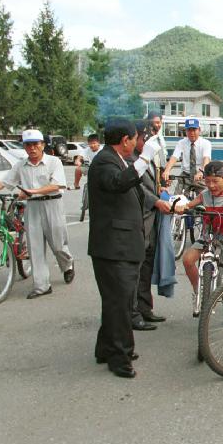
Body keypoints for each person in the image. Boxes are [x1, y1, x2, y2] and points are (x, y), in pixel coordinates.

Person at [87, 119, 162, 379]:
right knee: (119, 302)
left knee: (115, 300)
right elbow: (119, 183)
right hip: (113, 246)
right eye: (135, 138)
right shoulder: (105, 161)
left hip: (121, 244)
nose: (137, 142)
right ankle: (120, 357)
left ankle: (105, 348)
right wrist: (143, 161)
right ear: (124, 140)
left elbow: (135, 191)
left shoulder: (116, 159)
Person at [0, 128, 75, 298]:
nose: (32, 148)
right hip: (32, 208)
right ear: (24, 147)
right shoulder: (20, 165)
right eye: (28, 145)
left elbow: (57, 185)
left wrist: (31, 191)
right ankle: (42, 286)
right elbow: (4, 182)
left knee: (58, 245)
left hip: (52, 205)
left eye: (35, 144)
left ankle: (68, 264)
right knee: (35, 248)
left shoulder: (54, 162)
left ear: (42, 145)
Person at [175, 161, 223, 318]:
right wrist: (182, 207)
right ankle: (198, 291)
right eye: (207, 181)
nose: (211, 185)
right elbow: (189, 205)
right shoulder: (205, 195)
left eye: (215, 181)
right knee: (188, 260)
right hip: (209, 236)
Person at [130, 121, 171, 330]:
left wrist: (162, 188)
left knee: (147, 265)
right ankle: (134, 313)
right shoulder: (132, 160)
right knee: (136, 269)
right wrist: (156, 200)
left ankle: (145, 308)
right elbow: (137, 187)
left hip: (152, 219)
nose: (147, 142)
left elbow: (151, 185)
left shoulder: (149, 157)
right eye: (144, 138)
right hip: (139, 219)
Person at [163, 117, 211, 188]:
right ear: (186, 131)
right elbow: (174, 157)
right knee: (178, 197)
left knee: (205, 196)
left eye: (194, 130)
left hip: (200, 175)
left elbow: (206, 158)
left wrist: (202, 172)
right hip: (185, 175)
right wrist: (167, 170)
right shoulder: (181, 143)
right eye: (189, 130)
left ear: (199, 130)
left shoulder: (206, 143)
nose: (192, 133)